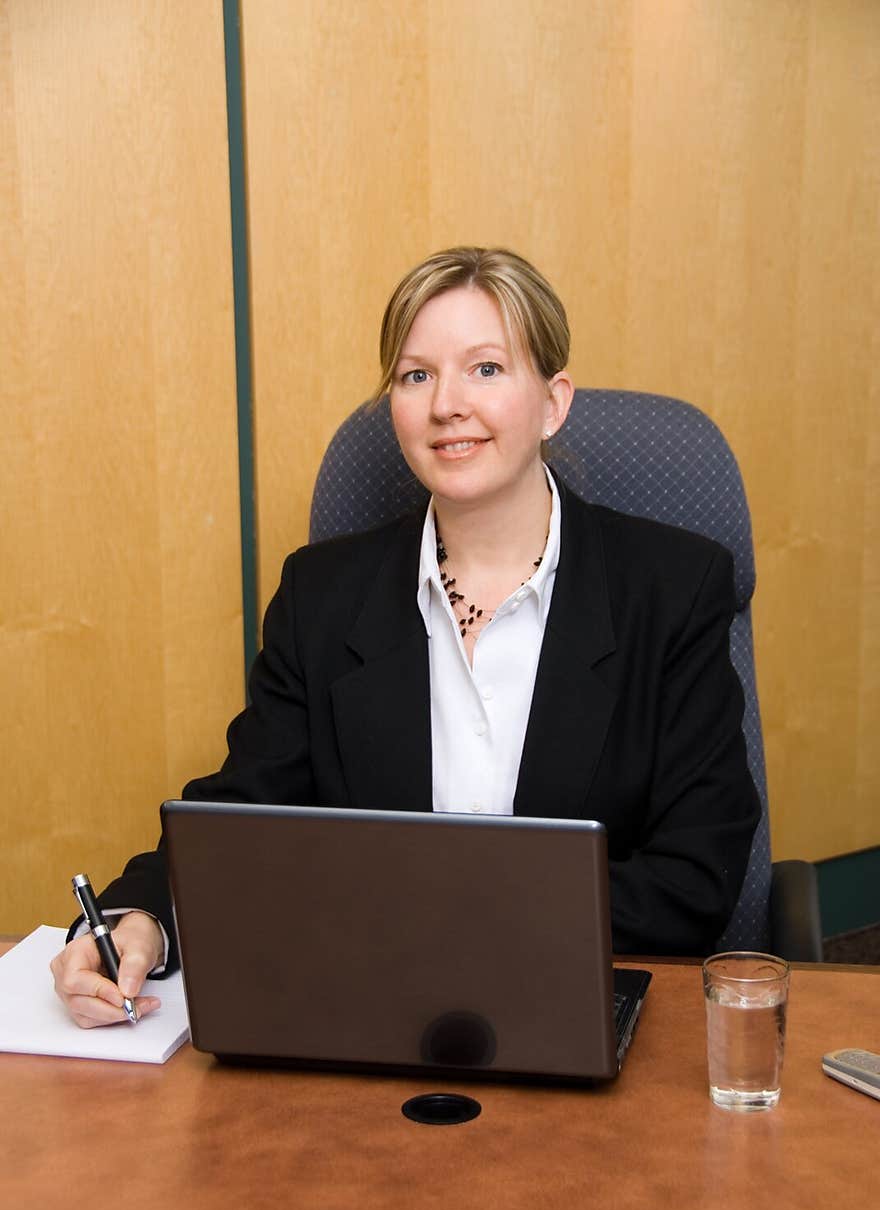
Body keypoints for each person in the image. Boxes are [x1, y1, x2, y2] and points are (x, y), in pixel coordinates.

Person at [51, 245, 760, 1027]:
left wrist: (448, 915)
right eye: (416, 375)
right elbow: (245, 816)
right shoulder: (322, 597)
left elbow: (697, 875)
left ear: (554, 401)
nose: (446, 404)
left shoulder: (673, 587)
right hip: (376, 1016)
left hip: (586, 1008)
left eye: (486, 368)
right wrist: (140, 915)